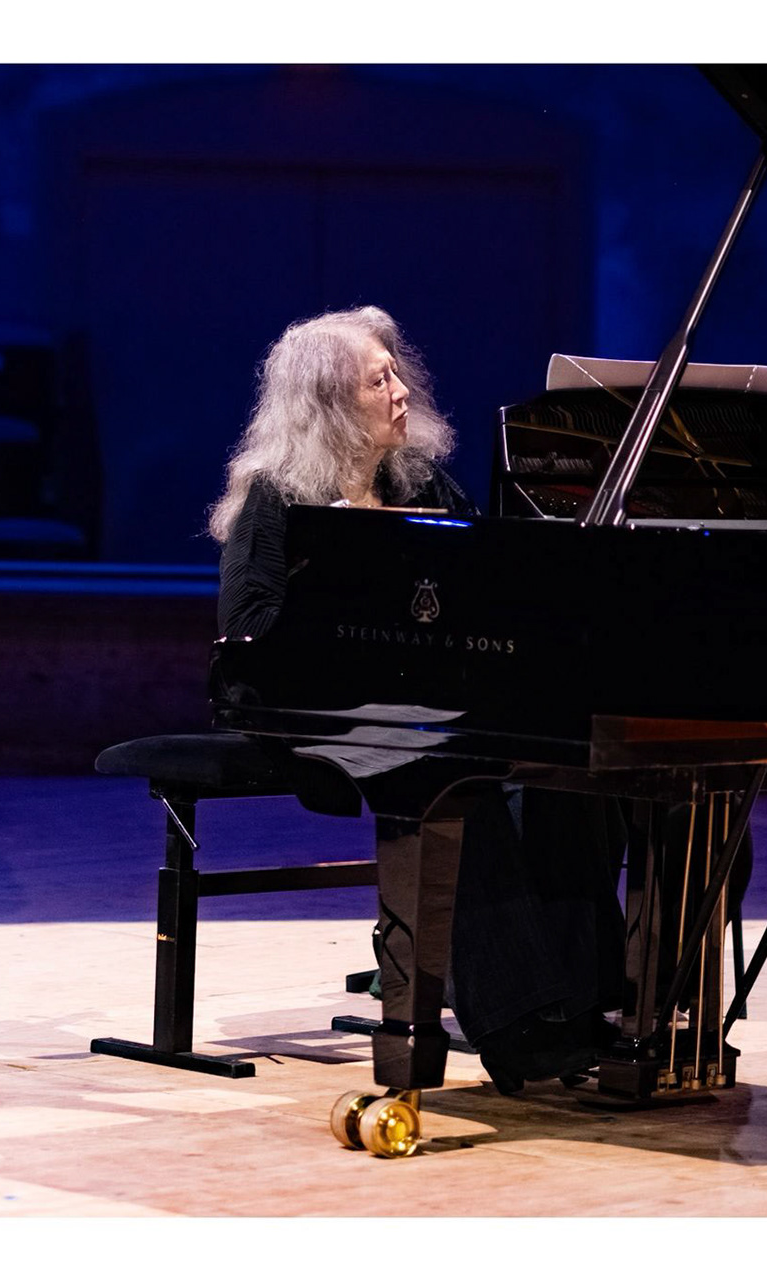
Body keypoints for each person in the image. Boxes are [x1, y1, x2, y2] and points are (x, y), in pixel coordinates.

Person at [209, 305, 625, 1091]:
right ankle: (519, 1025)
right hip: (307, 709)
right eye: (379, 380)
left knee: (563, 778)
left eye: (397, 373)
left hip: (433, 707)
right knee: (454, 785)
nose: (402, 390)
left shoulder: (421, 482)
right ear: (330, 401)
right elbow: (249, 625)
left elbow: (492, 588)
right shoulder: (276, 497)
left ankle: (581, 1000)